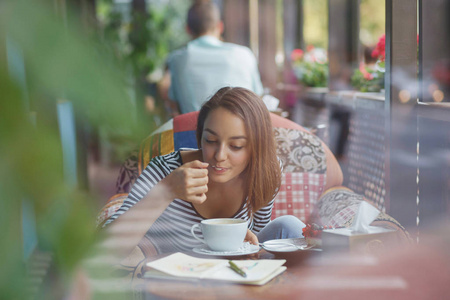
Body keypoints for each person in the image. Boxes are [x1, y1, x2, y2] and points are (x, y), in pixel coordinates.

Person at [104, 87, 305, 256]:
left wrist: (243, 246)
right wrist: (167, 190)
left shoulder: (265, 170)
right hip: (182, 280)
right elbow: (105, 251)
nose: (219, 155)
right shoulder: (166, 170)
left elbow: (257, 237)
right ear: (200, 136)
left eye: (236, 146)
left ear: (256, 147)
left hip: (236, 272)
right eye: (210, 141)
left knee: (290, 226)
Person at [167, 1, 264, 114]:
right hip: (242, 129)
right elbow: (258, 98)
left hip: (196, 131)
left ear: (187, 29)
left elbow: (174, 104)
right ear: (220, 26)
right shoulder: (245, 54)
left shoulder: (177, 60)